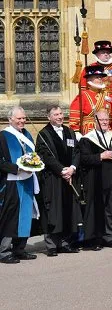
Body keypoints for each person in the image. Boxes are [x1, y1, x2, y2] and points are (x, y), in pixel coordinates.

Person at [35, 105, 82, 256]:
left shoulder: (69, 131)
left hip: (69, 177)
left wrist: (72, 168)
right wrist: (61, 170)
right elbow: (45, 156)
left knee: (69, 211)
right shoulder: (43, 134)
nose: (60, 117)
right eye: (56, 114)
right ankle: (52, 245)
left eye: (61, 113)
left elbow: (76, 151)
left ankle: (66, 243)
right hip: (53, 179)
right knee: (54, 212)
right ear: (49, 117)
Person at [79, 110, 112, 250]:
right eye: (102, 120)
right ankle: (94, 239)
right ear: (95, 121)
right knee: (95, 210)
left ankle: (109, 236)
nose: (105, 122)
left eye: (107, 119)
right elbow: (84, 159)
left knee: (111, 209)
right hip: (95, 181)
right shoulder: (88, 139)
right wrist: (101, 156)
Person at [0, 107, 38, 264]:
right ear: (10, 119)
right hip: (11, 181)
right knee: (11, 216)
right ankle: (4, 251)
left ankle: (19, 249)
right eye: (19, 118)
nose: (22, 121)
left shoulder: (27, 135)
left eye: (23, 118)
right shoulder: (3, 136)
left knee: (25, 215)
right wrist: (16, 168)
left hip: (27, 180)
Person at [70, 65, 112, 135]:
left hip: (106, 130)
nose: (100, 79)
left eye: (101, 77)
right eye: (97, 77)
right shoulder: (83, 95)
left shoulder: (107, 95)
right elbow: (75, 116)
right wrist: (76, 132)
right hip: (90, 130)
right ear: (89, 79)